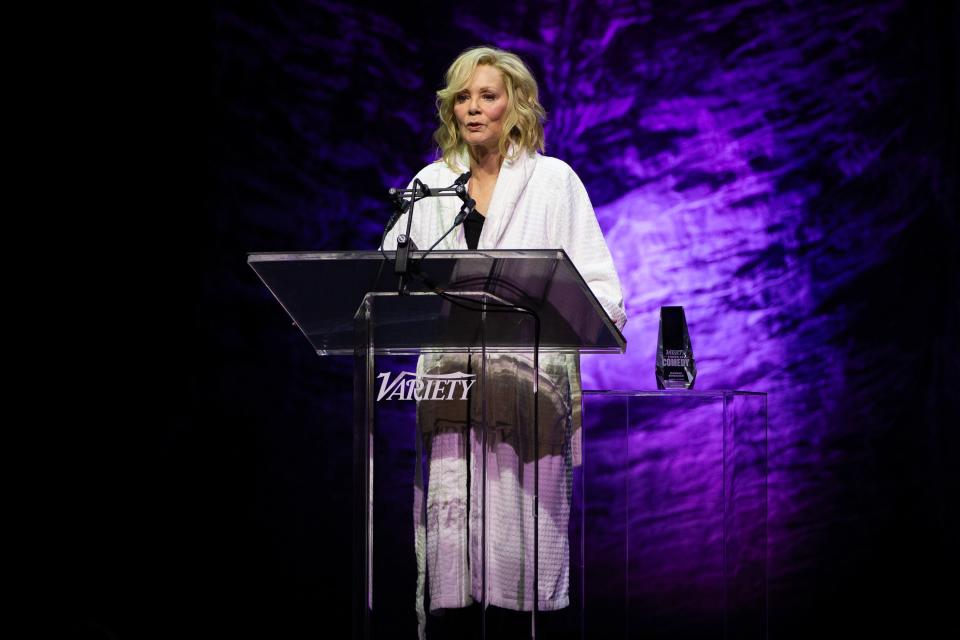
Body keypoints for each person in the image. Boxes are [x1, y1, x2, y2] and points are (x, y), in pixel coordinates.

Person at [382, 46, 626, 637]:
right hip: (451, 387)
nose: (472, 108)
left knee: (521, 575)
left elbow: (599, 288)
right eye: (461, 97)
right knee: (456, 579)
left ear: (514, 104)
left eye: (486, 95)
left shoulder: (552, 180)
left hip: (528, 391)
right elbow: (389, 273)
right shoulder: (431, 184)